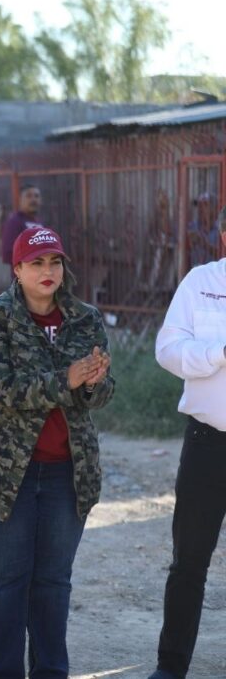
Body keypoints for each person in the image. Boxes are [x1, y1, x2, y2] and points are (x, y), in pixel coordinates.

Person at [0, 226, 113, 678]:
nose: (47, 271)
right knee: (4, 583)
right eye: (37, 263)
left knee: (53, 585)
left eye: (55, 262)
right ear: (17, 269)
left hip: (67, 474)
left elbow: (97, 398)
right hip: (0, 476)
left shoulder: (85, 319)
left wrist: (96, 382)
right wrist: (68, 380)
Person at [147, 206, 226, 679]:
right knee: (189, 564)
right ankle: (170, 668)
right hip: (207, 446)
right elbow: (167, 350)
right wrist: (218, 353)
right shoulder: (200, 282)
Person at [1, 183, 44, 273]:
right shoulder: (15, 221)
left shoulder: (39, 222)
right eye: (29, 196)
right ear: (20, 199)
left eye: (36, 196)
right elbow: (7, 254)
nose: (33, 199)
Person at [186, 192, 219, 269]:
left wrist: (203, 243)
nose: (200, 208)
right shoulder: (192, 226)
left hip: (213, 276)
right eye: (199, 205)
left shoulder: (221, 229)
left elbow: (223, 255)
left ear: (214, 208)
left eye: (205, 205)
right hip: (194, 273)